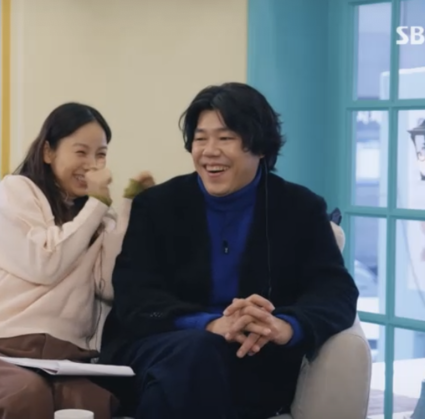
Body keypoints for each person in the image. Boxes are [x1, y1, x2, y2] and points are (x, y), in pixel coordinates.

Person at [99, 82, 359, 419]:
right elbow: (135, 294)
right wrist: (210, 324)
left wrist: (284, 325)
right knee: (196, 354)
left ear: (260, 146)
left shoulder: (300, 208)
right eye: (200, 139)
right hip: (161, 349)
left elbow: (335, 290)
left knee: (202, 371)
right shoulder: (157, 205)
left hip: (251, 360)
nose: (209, 151)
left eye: (225, 138)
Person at [0, 102, 155, 419]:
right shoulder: (16, 190)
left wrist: (129, 208)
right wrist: (98, 203)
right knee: (26, 394)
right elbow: (45, 264)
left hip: (65, 361)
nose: (92, 164)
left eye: (100, 154)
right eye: (81, 152)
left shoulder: (97, 216)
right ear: (48, 151)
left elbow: (108, 286)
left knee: (98, 404)